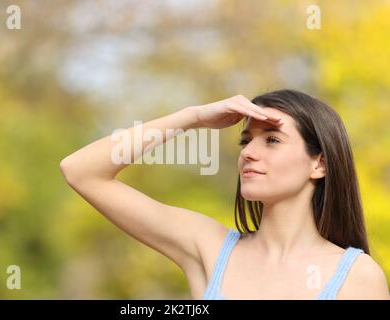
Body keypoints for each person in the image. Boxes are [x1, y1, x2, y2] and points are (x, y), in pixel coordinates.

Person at [59, 89, 389, 299]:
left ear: (319, 164)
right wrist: (191, 117)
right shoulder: (208, 248)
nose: (248, 153)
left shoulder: (357, 277)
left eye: (271, 140)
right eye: (246, 141)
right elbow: (81, 170)